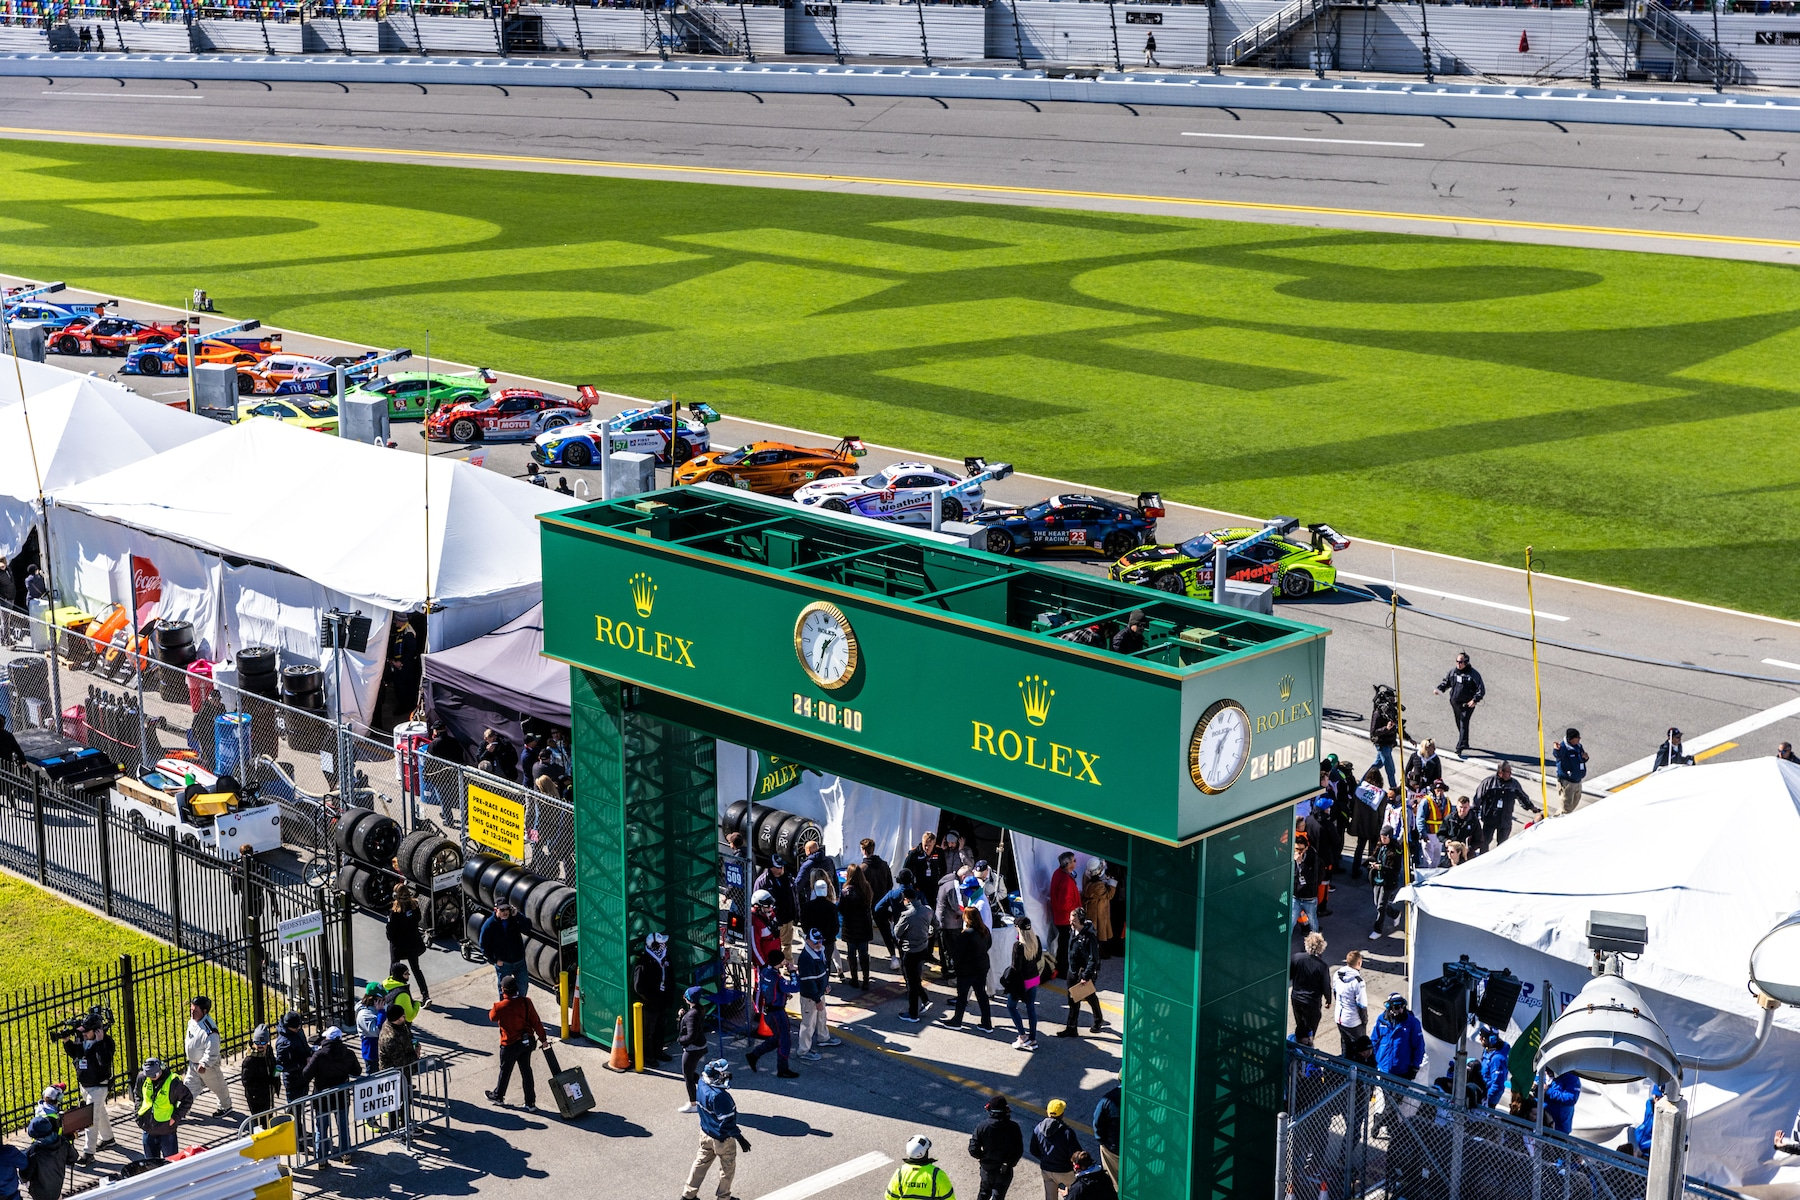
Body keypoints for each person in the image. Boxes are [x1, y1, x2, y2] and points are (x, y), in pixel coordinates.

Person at [684, 1059, 750, 1200]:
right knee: (727, 1168)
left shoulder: (701, 1082)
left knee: (700, 1163)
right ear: (716, 1076)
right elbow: (727, 1124)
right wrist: (740, 1138)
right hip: (722, 1140)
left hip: (705, 1133)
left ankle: (688, 1195)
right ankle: (723, 1197)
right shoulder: (721, 1097)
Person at [485, 975, 545, 1111]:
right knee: (526, 1072)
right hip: (525, 1043)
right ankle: (530, 1103)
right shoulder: (526, 1002)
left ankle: (498, 1096)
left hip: (509, 1045)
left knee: (505, 1071)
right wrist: (543, 1039)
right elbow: (536, 1021)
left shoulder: (499, 1007)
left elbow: (492, 1017)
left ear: (503, 990)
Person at [61, 1013, 116, 1163]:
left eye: (87, 1031)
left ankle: (88, 1153)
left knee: (90, 1119)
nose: (84, 1034)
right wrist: (67, 1041)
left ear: (98, 1031)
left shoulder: (106, 1042)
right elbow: (75, 1054)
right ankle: (108, 1138)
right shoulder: (83, 1039)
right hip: (85, 1086)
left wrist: (99, 1042)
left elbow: (103, 1061)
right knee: (99, 1112)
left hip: (98, 1087)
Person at [303, 1027, 362, 1164]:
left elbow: (306, 1074)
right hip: (341, 1096)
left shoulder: (319, 1055)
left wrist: (309, 1062)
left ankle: (321, 1158)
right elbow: (357, 1071)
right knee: (343, 1125)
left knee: (321, 1129)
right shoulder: (348, 1053)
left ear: (327, 1039)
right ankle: (345, 1154)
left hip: (322, 1097)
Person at [746, 949, 799, 1078]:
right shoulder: (778, 979)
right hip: (777, 1013)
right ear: (779, 963)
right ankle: (782, 1069)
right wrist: (792, 972)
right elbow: (795, 987)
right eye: (783, 960)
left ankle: (754, 1055)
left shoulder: (764, 972)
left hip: (768, 1012)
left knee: (776, 1039)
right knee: (784, 1041)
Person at [1055, 909, 1105, 1038]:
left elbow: (1093, 959)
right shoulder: (1072, 931)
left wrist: (1086, 976)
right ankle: (1071, 1028)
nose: (1071, 923)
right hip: (1072, 972)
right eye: (1070, 920)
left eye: (1074, 921)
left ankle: (1098, 1020)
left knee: (1089, 997)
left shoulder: (1090, 937)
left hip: (1083, 974)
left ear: (1081, 921)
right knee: (1072, 1000)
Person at [943, 906, 994, 1030]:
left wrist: (957, 965)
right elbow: (989, 945)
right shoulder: (985, 930)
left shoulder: (966, 934)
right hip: (982, 967)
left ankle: (957, 1021)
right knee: (982, 995)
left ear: (968, 918)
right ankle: (987, 1023)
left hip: (967, 970)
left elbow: (957, 953)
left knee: (962, 996)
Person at [133, 1056, 192, 1160]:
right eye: (149, 1075)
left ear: (161, 1069)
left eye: (153, 1075)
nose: (151, 1078)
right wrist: (138, 1112)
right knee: (151, 1165)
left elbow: (187, 1099)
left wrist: (175, 1118)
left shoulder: (173, 1082)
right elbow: (138, 1095)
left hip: (166, 1130)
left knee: (171, 1163)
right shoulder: (142, 1077)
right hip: (148, 1128)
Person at [183, 995, 233, 1116]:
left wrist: (204, 1063)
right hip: (193, 1065)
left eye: (195, 1010)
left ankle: (225, 1107)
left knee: (218, 1087)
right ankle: (182, 1110)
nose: (192, 1012)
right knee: (187, 1089)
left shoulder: (210, 1030)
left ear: (204, 1011)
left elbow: (213, 1050)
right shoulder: (192, 1022)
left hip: (207, 1067)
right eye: (191, 1009)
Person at [1472, 761, 1536, 854]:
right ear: (1500, 772)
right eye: (1508, 772)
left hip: (1505, 821)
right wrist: (1474, 814)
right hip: (1489, 820)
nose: (1510, 774)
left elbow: (1522, 797)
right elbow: (1477, 799)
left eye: (1511, 771)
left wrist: (1531, 807)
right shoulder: (1488, 783)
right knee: (1485, 843)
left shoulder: (1514, 784)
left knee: (1502, 846)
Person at [970, 1093, 1023, 1200]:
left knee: (984, 1193)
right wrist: (1010, 1163)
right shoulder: (1014, 1127)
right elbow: (1019, 1150)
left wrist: (982, 1157)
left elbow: (973, 1148)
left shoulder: (982, 1126)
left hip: (987, 1168)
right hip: (1004, 1169)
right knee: (999, 1196)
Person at [795, 929, 839, 1058]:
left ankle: (823, 1038)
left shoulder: (819, 951)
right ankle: (803, 1051)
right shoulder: (806, 959)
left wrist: (825, 986)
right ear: (808, 941)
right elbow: (808, 982)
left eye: (820, 942)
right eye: (816, 943)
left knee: (821, 1017)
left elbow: (822, 972)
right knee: (808, 1024)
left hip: (819, 992)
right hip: (810, 997)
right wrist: (817, 1000)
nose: (819, 945)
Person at [1003, 916, 1044, 1051]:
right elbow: (1038, 958)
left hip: (1021, 982)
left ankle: (1022, 1035)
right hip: (1034, 979)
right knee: (1030, 1008)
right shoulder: (1035, 940)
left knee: (1011, 1006)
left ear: (1017, 929)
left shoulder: (1018, 946)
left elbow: (1016, 967)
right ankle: (1033, 1038)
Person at [633, 931, 674, 1064]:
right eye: (661, 944)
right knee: (648, 1031)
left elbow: (670, 977)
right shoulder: (644, 962)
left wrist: (667, 997)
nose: (664, 946)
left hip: (662, 1001)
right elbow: (638, 987)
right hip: (650, 1004)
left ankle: (658, 1051)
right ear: (654, 946)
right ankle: (649, 1056)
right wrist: (651, 999)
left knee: (660, 1028)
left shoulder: (665, 959)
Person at [386, 885, 431, 1005]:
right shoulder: (414, 906)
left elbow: (390, 932)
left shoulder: (394, 911)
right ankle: (425, 995)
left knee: (394, 968)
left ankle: (392, 994)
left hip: (398, 944)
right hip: (412, 942)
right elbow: (418, 919)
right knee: (416, 969)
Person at [1028, 1099, 1081, 1200]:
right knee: (1074, 1196)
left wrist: (1045, 1159)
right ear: (1062, 1114)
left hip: (1047, 1170)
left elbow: (1033, 1150)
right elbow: (1076, 1154)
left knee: (1050, 1197)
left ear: (1048, 1112)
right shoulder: (1067, 1132)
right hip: (1065, 1171)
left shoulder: (1038, 1129)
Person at [896, 889, 937, 1023]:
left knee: (911, 982)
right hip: (923, 948)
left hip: (910, 951)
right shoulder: (927, 910)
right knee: (916, 977)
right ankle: (925, 1000)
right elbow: (937, 924)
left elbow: (897, 932)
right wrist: (928, 932)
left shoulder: (907, 915)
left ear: (907, 899)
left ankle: (913, 1014)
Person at [1434, 652, 1485, 756]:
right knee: (1459, 722)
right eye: (1457, 661)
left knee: (1463, 722)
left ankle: (1459, 747)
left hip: (1467, 704)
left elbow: (1481, 689)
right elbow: (1446, 682)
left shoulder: (1473, 674)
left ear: (1466, 662)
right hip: (1455, 703)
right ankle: (1465, 742)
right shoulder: (1453, 672)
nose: (1458, 664)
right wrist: (1439, 689)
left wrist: (1474, 700)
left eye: (1461, 662)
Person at [479, 898, 531, 998]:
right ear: (496, 910)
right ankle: (506, 1011)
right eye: (502, 910)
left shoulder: (514, 919)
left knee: (523, 986)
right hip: (504, 964)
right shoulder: (489, 925)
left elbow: (527, 927)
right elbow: (483, 945)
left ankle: (519, 1008)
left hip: (519, 961)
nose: (505, 912)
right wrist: (494, 960)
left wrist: (518, 915)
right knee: (504, 992)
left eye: (507, 909)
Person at [1288, 931, 1330, 1045]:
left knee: (1300, 1024)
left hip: (1297, 998)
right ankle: (1307, 1048)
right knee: (1311, 1028)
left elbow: (1290, 976)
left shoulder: (1296, 958)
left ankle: (1298, 1045)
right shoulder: (1322, 966)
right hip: (1312, 1001)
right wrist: (1328, 1000)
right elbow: (1326, 985)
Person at [861, 838, 898, 964]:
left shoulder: (862, 869)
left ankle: (864, 955)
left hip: (867, 904)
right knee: (885, 931)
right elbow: (890, 884)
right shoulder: (884, 864)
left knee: (864, 930)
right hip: (882, 902)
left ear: (864, 850)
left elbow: (861, 889)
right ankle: (894, 957)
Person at [838, 862, 875, 989]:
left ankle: (854, 979)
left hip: (850, 926)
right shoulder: (866, 888)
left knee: (851, 954)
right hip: (864, 925)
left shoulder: (845, 891)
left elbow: (841, 909)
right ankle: (866, 980)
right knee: (864, 953)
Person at [1371, 994, 1425, 1080]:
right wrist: (1375, 1059)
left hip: (1403, 1071)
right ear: (1390, 1008)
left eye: (1402, 1006)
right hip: (1384, 1069)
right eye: (1396, 1007)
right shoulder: (1381, 1020)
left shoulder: (1412, 1023)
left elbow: (1419, 1046)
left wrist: (1415, 1067)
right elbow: (1374, 1041)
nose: (1400, 1010)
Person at [886, 1134, 955, 1199]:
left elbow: (889, 1197)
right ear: (925, 1153)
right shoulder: (937, 1174)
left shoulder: (900, 1173)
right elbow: (950, 1198)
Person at [1348, 766, 1388, 880]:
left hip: (1361, 824)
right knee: (1373, 851)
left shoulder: (1360, 789)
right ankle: (1371, 873)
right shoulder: (1381, 794)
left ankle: (1354, 871)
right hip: (1374, 826)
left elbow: (1353, 805)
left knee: (1359, 848)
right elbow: (1381, 813)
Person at [754, 855, 799, 954]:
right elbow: (756, 904)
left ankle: (786, 968)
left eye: (782, 866)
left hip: (787, 919)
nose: (781, 869)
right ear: (771, 867)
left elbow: (794, 897)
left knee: (786, 946)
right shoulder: (762, 882)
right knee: (772, 947)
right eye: (779, 867)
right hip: (771, 921)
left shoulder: (788, 877)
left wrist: (796, 914)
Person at [677, 987, 712, 1114]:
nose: (684, 997)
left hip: (693, 1049)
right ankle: (708, 1087)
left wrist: (681, 1040)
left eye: (685, 996)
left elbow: (691, 1035)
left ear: (689, 999)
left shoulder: (692, 1014)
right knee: (691, 1073)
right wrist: (682, 1017)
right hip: (700, 1047)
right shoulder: (698, 1010)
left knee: (688, 1076)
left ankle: (693, 1104)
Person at [21, 1115, 72, 1200]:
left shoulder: (33, 1152)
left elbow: (25, 1176)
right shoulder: (62, 1142)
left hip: (39, 1193)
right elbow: (73, 1158)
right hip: (57, 1187)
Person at [935, 866, 971, 983]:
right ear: (963, 877)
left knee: (946, 950)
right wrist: (969, 914)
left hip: (945, 922)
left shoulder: (949, 882)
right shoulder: (953, 886)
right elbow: (957, 906)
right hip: (950, 924)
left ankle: (947, 972)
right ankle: (950, 976)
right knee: (950, 951)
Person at [1368, 828, 1404, 942]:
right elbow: (1375, 856)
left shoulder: (1395, 850)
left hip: (1388, 881)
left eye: (1385, 837)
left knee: (1381, 907)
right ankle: (1395, 914)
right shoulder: (1380, 846)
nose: (1382, 839)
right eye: (1381, 837)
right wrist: (1370, 862)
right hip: (1377, 879)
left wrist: (1381, 867)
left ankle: (1377, 930)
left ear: (1389, 837)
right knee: (1376, 903)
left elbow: (1395, 869)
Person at [1049, 852, 1081, 979]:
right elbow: (1065, 904)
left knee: (1063, 944)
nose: (1075, 862)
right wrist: (1076, 910)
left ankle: (1061, 968)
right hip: (1066, 918)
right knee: (1066, 945)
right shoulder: (1066, 880)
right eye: (1074, 860)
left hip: (1061, 917)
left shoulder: (1058, 873)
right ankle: (1063, 970)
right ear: (1068, 864)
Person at [240, 1025, 277, 1128]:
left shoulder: (268, 1051)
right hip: (256, 1097)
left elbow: (273, 1066)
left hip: (268, 1092)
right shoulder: (250, 1060)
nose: (260, 1045)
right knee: (259, 1121)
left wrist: (276, 1073)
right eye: (257, 1042)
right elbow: (246, 1081)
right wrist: (260, 1087)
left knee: (268, 1116)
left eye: (263, 1042)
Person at [800, 878, 840, 972]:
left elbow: (804, 924)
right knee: (826, 963)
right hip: (828, 941)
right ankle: (825, 983)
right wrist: (828, 937)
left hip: (812, 940)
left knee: (814, 962)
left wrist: (811, 936)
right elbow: (835, 926)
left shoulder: (807, 906)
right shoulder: (832, 907)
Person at [273, 1012, 312, 1106]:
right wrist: (303, 1062)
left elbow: (304, 1045)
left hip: (303, 1076)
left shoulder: (298, 1031)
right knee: (294, 1110)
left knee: (302, 1104)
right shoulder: (283, 1043)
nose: (298, 1028)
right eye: (296, 1027)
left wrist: (310, 1054)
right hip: (293, 1081)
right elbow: (280, 1066)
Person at [902, 832, 946, 915]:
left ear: (934, 843)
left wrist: (939, 882)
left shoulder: (939, 852)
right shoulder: (914, 853)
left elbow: (943, 868)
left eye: (929, 846)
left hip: (933, 887)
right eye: (925, 845)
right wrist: (912, 885)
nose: (926, 847)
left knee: (931, 909)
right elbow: (905, 871)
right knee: (919, 910)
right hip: (919, 887)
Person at [1331, 950, 1368, 1047]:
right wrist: (1364, 1022)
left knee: (1345, 1045)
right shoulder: (1358, 982)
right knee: (1360, 1048)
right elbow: (1362, 1005)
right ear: (1359, 963)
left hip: (1339, 1017)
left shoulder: (1337, 974)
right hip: (1353, 1021)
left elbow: (1335, 993)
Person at [1081, 863, 1117, 958]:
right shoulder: (1098, 886)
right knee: (1099, 935)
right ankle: (1099, 953)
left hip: (1093, 911)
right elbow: (1109, 895)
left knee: (1095, 934)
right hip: (1098, 913)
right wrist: (1112, 883)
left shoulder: (1089, 882)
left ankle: (1097, 952)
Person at [1551, 728, 1589, 815]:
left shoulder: (1578, 746)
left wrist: (1584, 758)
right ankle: (1557, 820)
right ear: (1571, 739)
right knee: (1566, 808)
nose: (1579, 739)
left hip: (1578, 780)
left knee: (1575, 802)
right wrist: (1556, 750)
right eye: (1577, 737)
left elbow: (1580, 759)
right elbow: (1558, 756)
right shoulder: (1563, 748)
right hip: (1567, 782)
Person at [1091, 1085, 1120, 1187]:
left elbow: (1097, 1122)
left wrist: (1101, 1141)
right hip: (1137, 1148)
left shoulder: (1108, 1100)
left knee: (1113, 1179)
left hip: (1113, 1148)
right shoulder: (1141, 1096)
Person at [1369, 693, 1400, 789]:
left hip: (1390, 744)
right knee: (1391, 769)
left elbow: (1399, 727)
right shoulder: (1378, 713)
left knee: (1377, 765)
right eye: (1391, 699)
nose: (1394, 701)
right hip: (1382, 745)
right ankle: (1394, 788)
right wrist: (1386, 728)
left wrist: (1409, 738)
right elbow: (1373, 732)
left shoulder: (1392, 711)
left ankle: (1363, 781)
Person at [356, 984, 387, 1075]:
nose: (385, 1000)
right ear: (374, 999)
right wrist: (381, 1012)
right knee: (374, 1077)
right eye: (383, 998)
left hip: (383, 1050)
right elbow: (377, 1031)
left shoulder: (379, 1007)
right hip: (372, 1053)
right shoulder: (364, 1015)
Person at [1477, 1026, 1510, 1109]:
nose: (1480, 1039)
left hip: (1487, 1101)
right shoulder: (1488, 1050)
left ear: (1491, 1039)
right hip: (1482, 1094)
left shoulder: (1497, 1059)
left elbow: (1498, 1085)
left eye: (1482, 1037)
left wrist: (1488, 1100)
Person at [749, 889, 782, 970]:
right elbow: (754, 946)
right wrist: (763, 965)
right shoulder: (755, 922)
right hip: (764, 963)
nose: (771, 908)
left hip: (774, 960)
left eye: (771, 905)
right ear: (758, 907)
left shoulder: (771, 915)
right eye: (767, 906)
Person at [1292, 836, 1319, 932]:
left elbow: (1313, 877)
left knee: (1313, 922)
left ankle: (1315, 945)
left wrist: (1301, 864)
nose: (1299, 852)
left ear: (1306, 848)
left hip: (1309, 897)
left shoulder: (1313, 857)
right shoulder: (1292, 857)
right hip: (1296, 896)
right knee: (1291, 921)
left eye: (1301, 849)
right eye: (1296, 849)